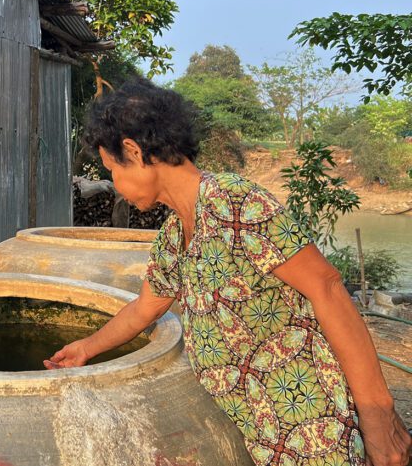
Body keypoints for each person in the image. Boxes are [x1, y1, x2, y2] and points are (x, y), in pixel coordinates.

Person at [43, 78, 411, 466]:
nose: (114, 184)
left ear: (133, 152)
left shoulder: (237, 204)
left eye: (111, 168)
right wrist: (84, 349)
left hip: (313, 429)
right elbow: (145, 308)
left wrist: (378, 414)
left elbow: (329, 289)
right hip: (266, 434)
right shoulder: (175, 233)